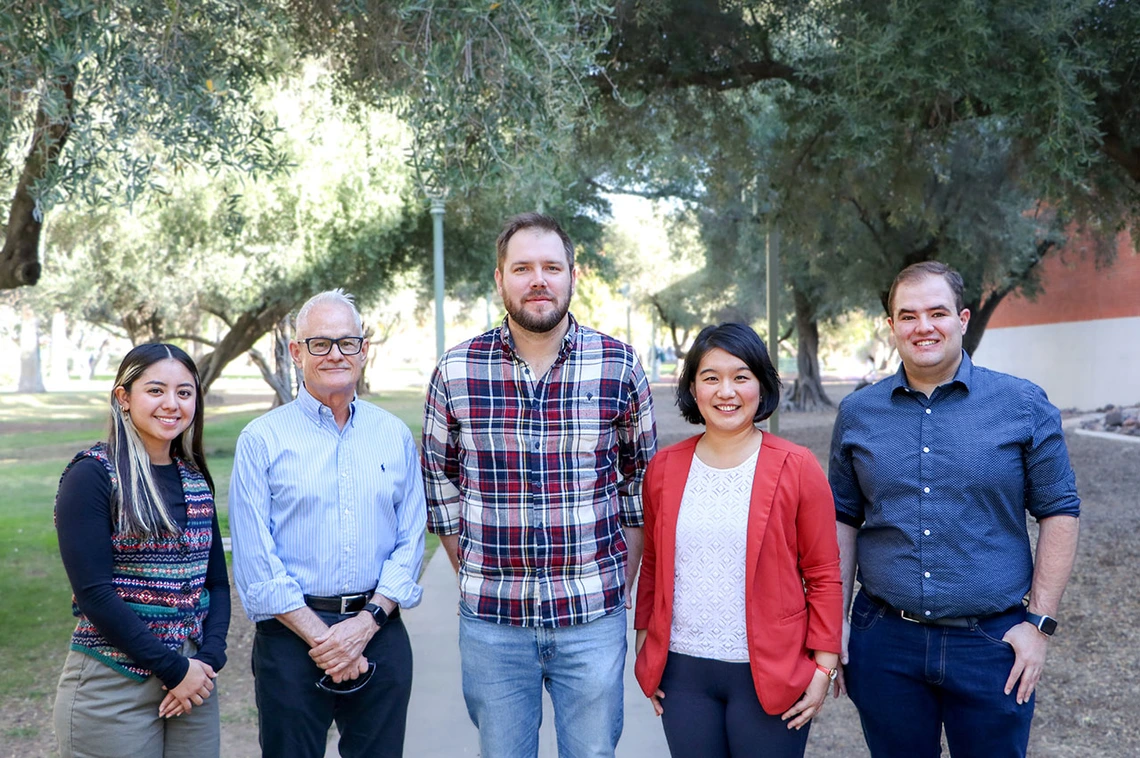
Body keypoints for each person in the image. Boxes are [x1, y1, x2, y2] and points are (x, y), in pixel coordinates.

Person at [422, 212, 657, 757]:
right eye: (522, 267)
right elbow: (440, 484)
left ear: (573, 275)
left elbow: (639, 481)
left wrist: (621, 580)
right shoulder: (457, 369)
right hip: (493, 625)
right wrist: (478, 567)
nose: (538, 279)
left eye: (552, 266)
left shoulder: (618, 364)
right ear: (499, 278)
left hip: (591, 619)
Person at [829, 261, 1081, 758]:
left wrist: (1039, 625)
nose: (923, 327)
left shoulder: (1023, 404)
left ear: (962, 319)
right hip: (885, 642)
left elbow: (1060, 512)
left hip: (992, 645)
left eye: (937, 313)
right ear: (892, 326)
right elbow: (843, 517)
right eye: (908, 315)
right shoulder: (858, 413)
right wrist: (834, 621)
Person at [229, 289, 426, 758]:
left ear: (364, 349)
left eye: (347, 342)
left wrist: (363, 627)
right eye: (319, 343)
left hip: (378, 633)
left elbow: (411, 541)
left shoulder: (393, 435)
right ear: (296, 353)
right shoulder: (261, 440)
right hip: (291, 642)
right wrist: (327, 641)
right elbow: (257, 563)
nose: (335, 353)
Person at [633, 323, 843, 758]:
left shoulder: (797, 467)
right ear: (693, 388)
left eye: (741, 376)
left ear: (761, 386)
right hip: (682, 674)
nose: (725, 391)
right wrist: (644, 645)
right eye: (711, 377)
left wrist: (824, 665)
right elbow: (653, 564)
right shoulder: (664, 470)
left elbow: (823, 573)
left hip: (770, 671)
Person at [53, 343, 229, 758]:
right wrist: (174, 669)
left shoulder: (195, 479)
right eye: (156, 390)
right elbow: (95, 594)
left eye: (184, 392)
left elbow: (217, 584)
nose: (172, 404)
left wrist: (207, 660)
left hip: (193, 681)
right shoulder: (93, 475)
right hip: (113, 685)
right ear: (123, 398)